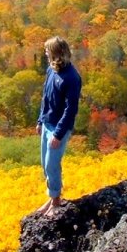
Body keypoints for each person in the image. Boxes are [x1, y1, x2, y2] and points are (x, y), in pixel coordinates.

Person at [35, 36, 82, 216]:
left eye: (48, 50)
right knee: (45, 165)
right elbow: (45, 97)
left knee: (52, 164)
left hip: (58, 128)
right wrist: (40, 120)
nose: (45, 53)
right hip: (47, 123)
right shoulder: (51, 70)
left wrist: (58, 134)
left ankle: (56, 203)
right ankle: (51, 196)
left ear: (56, 53)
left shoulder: (71, 77)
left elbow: (71, 110)